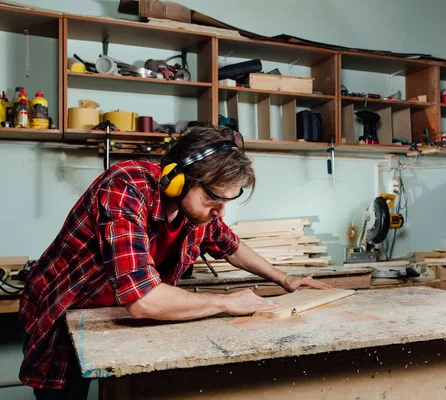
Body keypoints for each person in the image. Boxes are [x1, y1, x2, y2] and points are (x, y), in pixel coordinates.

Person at [19, 125, 332, 399]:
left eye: (227, 201)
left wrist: (284, 279)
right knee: (64, 397)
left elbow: (230, 245)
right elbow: (144, 301)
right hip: (65, 311)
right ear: (177, 181)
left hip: (116, 314)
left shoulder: (195, 211)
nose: (220, 213)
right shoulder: (125, 186)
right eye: (213, 199)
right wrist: (225, 302)